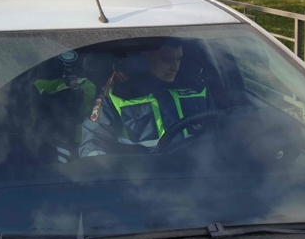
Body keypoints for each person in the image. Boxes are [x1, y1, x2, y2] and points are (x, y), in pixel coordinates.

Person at [79, 38, 212, 156]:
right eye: (167, 60)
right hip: (141, 179)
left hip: (200, 173)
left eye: (179, 59)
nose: (175, 67)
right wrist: (100, 170)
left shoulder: (198, 89)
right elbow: (94, 140)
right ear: (144, 60)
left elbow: (222, 128)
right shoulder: (116, 97)